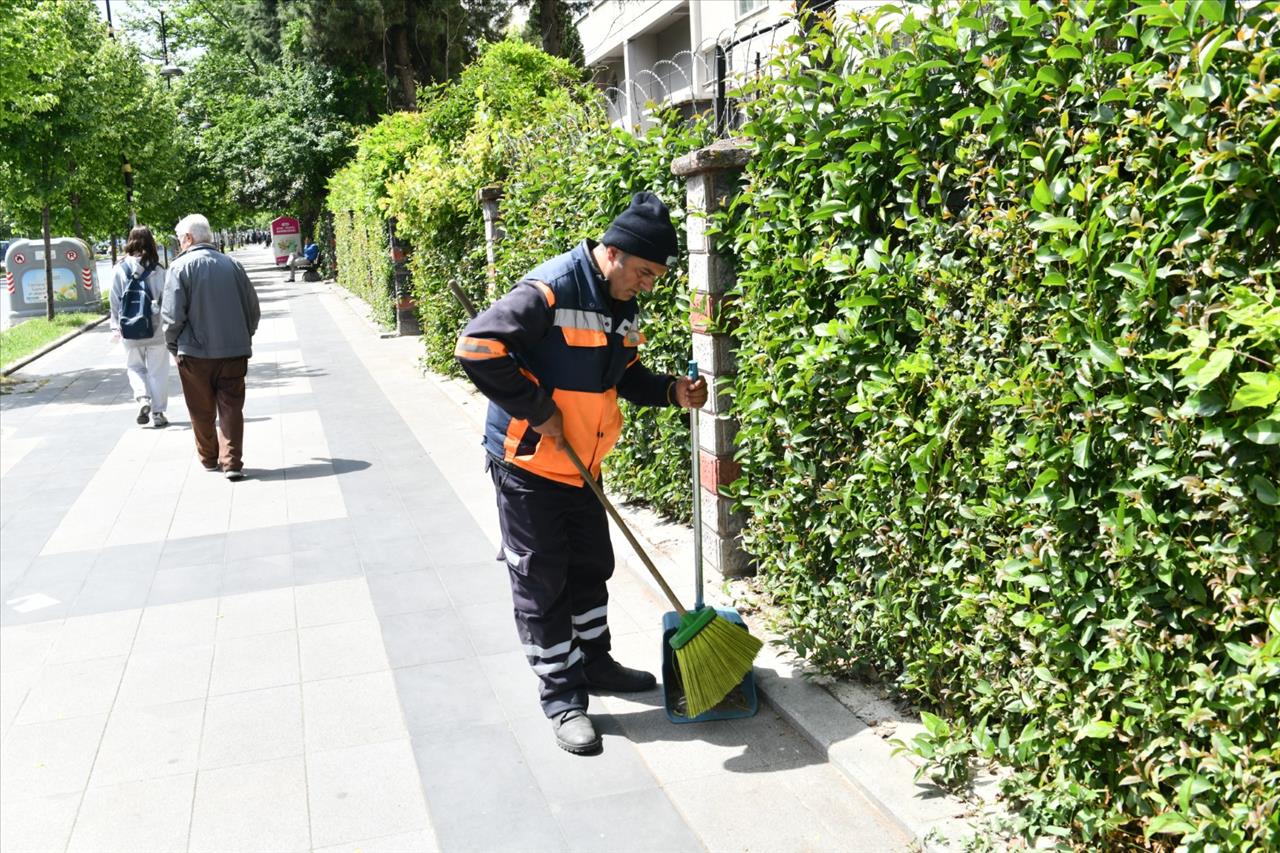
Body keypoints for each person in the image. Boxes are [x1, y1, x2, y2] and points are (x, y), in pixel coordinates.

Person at [455, 191, 708, 755]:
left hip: (583, 464)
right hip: (529, 464)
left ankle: (594, 663)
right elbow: (475, 345)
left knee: (591, 567)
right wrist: (537, 408)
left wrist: (671, 390)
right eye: (643, 272)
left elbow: (624, 372)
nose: (647, 285)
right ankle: (563, 697)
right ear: (613, 253)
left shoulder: (621, 303)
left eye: (655, 277)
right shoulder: (550, 289)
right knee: (542, 581)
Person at [162, 214, 261, 481]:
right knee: (231, 406)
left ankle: (208, 458)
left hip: (194, 353)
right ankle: (232, 463)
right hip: (234, 351)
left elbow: (171, 316)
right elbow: (253, 309)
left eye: (180, 238)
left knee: (200, 408)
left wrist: (173, 346)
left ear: (189, 238)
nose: (180, 243)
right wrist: (244, 336)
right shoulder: (233, 265)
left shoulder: (179, 268)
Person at [108, 226, 170, 428]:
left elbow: (115, 301)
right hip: (156, 329)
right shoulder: (159, 269)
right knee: (158, 371)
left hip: (130, 330)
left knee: (134, 367)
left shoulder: (119, 269)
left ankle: (143, 398)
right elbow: (168, 300)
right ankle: (158, 413)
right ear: (151, 242)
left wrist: (115, 327)